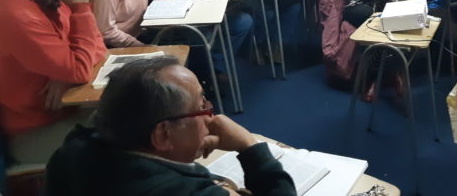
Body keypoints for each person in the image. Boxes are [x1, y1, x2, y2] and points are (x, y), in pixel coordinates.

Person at [45, 57, 296, 196]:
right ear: (163, 134)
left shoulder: (70, 152)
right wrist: (249, 147)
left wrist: (187, 145)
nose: (211, 116)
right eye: (202, 105)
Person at [0, 0, 107, 164]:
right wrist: (81, 9)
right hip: (33, 132)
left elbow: (98, 47)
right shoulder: (16, 15)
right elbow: (80, 69)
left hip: (68, 109)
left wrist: (63, 75)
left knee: (139, 114)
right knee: (132, 137)